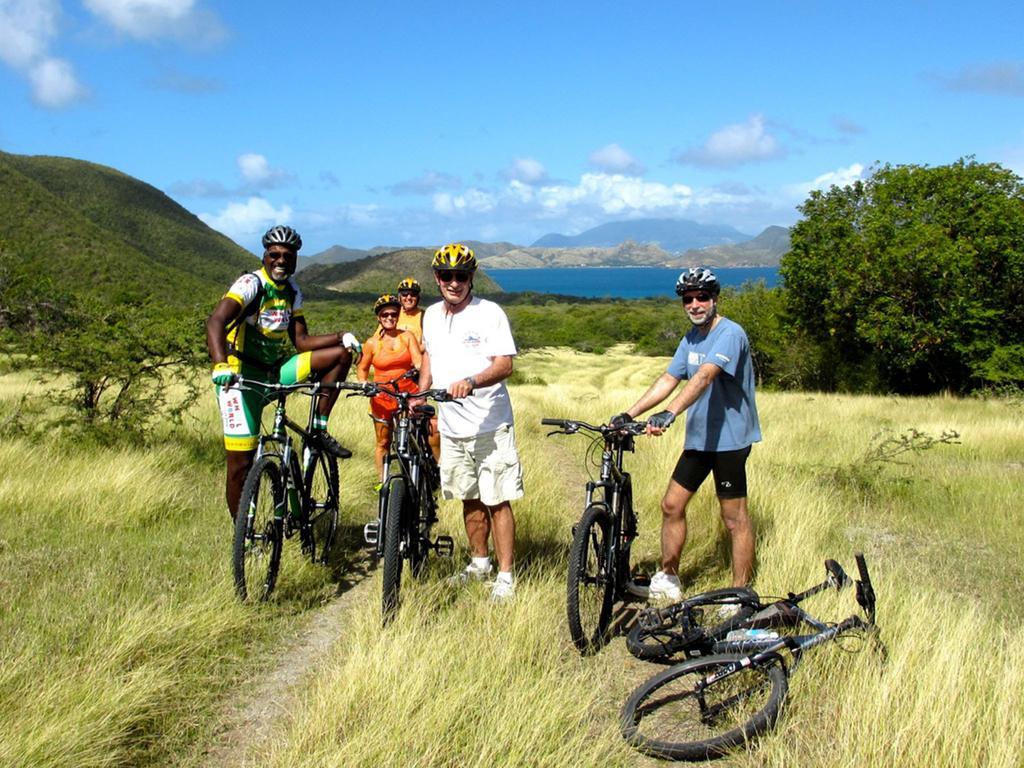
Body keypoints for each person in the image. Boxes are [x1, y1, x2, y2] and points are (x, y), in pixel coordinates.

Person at [610, 267, 761, 601]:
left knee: (734, 519)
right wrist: (629, 414)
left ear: (715, 299)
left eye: (702, 297)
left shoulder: (730, 334)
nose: (695, 304)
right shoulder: (690, 338)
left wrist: (670, 413)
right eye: (688, 299)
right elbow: (669, 378)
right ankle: (669, 578)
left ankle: (740, 593)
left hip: (730, 440)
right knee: (671, 505)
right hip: (700, 438)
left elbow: (705, 376)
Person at [206, 225, 362, 520]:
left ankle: (318, 428)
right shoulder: (250, 284)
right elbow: (215, 322)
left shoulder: (292, 290)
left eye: (287, 256)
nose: (280, 261)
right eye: (274, 254)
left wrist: (341, 336)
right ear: (264, 256)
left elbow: (301, 343)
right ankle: (246, 535)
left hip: (274, 373)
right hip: (240, 379)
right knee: (240, 464)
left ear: (295, 260)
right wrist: (220, 364)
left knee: (341, 355)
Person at [416, 243, 524, 602]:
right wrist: (421, 391)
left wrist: (472, 381)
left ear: (471, 278)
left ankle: (506, 575)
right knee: (469, 497)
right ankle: (480, 562)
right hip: (451, 426)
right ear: (436, 278)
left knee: (497, 499)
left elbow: (505, 364)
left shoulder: (489, 313)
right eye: (447, 275)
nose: (454, 282)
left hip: (489, 425)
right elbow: (430, 355)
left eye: (461, 276)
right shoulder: (430, 315)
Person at [357, 294, 423, 478]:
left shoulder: (407, 337)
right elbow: (362, 368)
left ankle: (425, 471)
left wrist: (421, 370)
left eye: (393, 314)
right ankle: (383, 482)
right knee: (383, 442)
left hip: (408, 392)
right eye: (384, 315)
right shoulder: (372, 343)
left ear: (398, 315)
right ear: (379, 317)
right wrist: (364, 384)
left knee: (424, 430)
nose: (389, 318)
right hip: (382, 395)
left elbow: (418, 360)